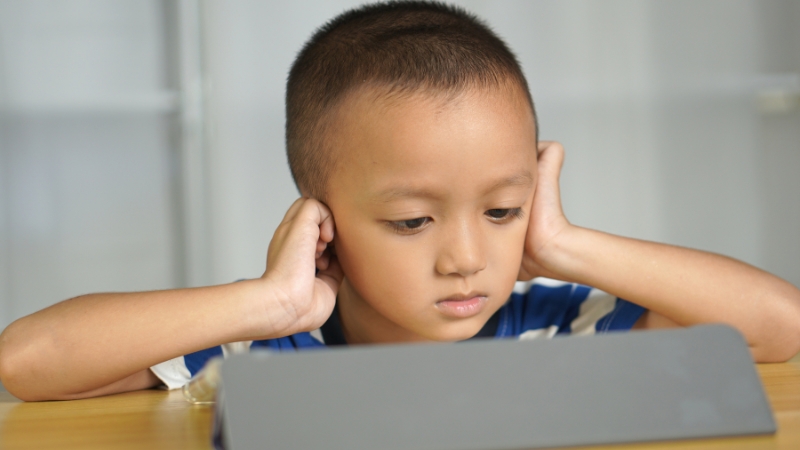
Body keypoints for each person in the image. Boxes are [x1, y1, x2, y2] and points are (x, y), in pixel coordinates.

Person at [1, 1, 799, 402]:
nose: (464, 257)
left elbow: (777, 326)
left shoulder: (561, 333)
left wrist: (563, 246)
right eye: (413, 220)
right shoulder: (262, 359)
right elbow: (27, 362)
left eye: (501, 210)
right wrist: (263, 304)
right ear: (323, 224)